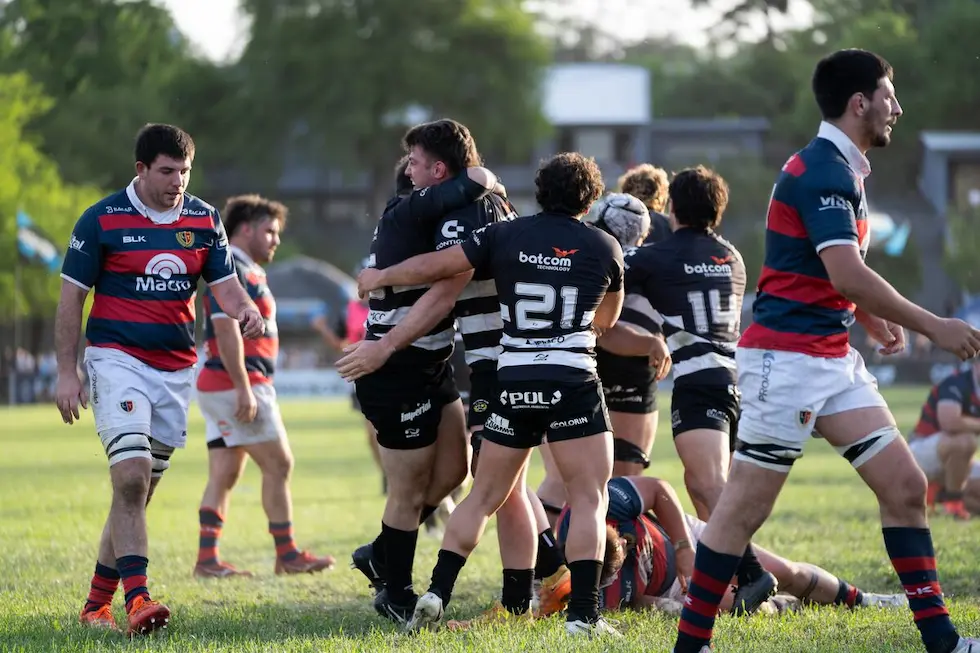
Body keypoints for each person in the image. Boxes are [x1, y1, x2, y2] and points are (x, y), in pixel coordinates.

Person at [672, 49, 980, 653]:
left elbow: (825, 269)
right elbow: (845, 273)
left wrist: (867, 317)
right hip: (784, 366)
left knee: (904, 487)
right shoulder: (823, 172)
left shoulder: (841, 168)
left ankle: (942, 643)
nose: (898, 108)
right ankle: (692, 646)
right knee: (739, 515)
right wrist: (931, 324)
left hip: (830, 360)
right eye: (889, 96)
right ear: (859, 102)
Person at [358, 152, 625, 637]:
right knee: (589, 497)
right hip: (571, 379)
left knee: (483, 495)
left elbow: (437, 268)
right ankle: (584, 617)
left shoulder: (503, 234)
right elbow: (606, 320)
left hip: (512, 377)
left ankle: (437, 592)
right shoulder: (606, 246)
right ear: (589, 200)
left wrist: (382, 275)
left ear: (540, 191)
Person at [56, 124, 264, 636]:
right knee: (130, 476)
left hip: (175, 370)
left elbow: (226, 287)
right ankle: (139, 600)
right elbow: (70, 298)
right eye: (167, 171)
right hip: (115, 359)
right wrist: (67, 370)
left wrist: (246, 312)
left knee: (137, 494)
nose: (177, 182)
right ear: (141, 169)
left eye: (184, 171)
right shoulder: (101, 219)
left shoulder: (203, 218)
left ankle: (95, 605)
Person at [338, 123, 503, 623]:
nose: (407, 170)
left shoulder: (437, 213)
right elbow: (479, 175)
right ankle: (394, 590)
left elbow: (475, 176)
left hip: (430, 363)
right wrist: (381, 347)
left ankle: (381, 553)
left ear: (437, 168)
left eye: (414, 160)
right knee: (407, 492)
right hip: (394, 365)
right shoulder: (407, 208)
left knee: (456, 471)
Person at [616, 166, 776, 615]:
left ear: (670, 208)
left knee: (708, 484)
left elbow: (611, 270)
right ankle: (729, 582)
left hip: (699, 384)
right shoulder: (734, 257)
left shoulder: (661, 257)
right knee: (701, 485)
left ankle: (752, 572)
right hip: (734, 383)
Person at [194, 194, 335, 578]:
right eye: (270, 231)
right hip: (237, 382)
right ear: (245, 229)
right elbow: (225, 328)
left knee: (225, 472)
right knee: (279, 463)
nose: (275, 239)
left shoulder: (247, 269)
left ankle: (207, 560)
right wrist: (243, 387)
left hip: (223, 382)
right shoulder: (232, 268)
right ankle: (287, 554)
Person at [552, 476, 907, 615]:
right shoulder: (591, 592)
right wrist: (666, 603)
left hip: (683, 539)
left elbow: (659, 489)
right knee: (733, 607)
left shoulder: (606, 502)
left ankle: (862, 599)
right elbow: (636, 601)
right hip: (668, 585)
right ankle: (787, 606)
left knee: (784, 571)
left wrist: (683, 547)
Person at [313, 256, 385, 494]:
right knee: (371, 433)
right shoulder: (350, 310)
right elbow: (341, 343)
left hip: (390, 372)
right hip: (364, 376)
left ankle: (398, 473)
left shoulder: (390, 306)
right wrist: (324, 329)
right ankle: (387, 473)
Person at [908, 360, 980, 519]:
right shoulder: (956, 382)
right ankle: (953, 502)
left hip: (958, 462)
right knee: (965, 441)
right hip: (920, 454)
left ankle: (937, 493)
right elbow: (949, 421)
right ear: (977, 364)